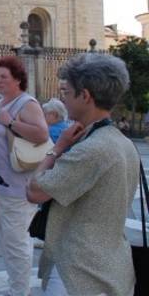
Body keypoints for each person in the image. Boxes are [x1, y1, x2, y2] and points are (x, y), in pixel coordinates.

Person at [27, 53, 138, 296]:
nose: (62, 99)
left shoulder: (92, 149)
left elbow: (34, 191)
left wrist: (56, 148)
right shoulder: (124, 143)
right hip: (113, 266)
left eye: (66, 93)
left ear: (85, 95)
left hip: (78, 272)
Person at [0, 55, 49, 296]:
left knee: (17, 244)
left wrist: (11, 123)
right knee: (5, 242)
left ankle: (20, 292)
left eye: (4, 77)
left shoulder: (26, 103)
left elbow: (41, 134)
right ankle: (15, 287)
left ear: (18, 79)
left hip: (17, 186)